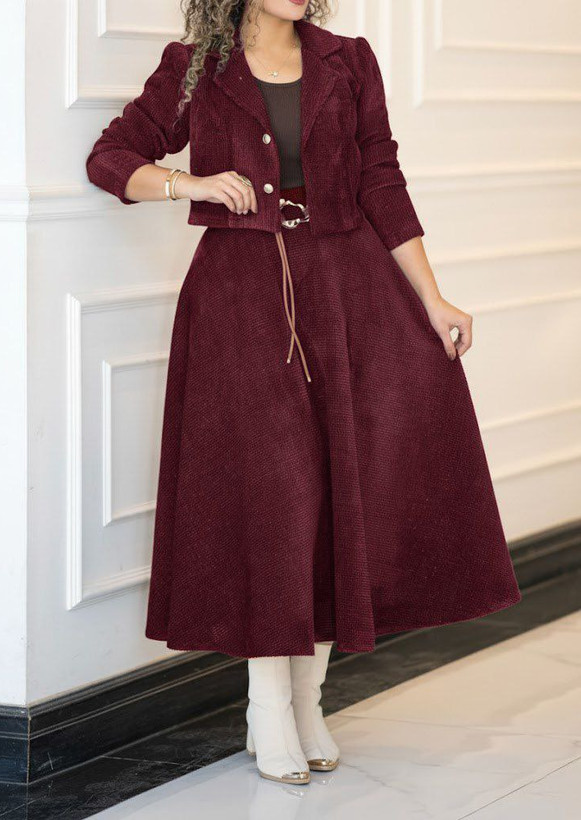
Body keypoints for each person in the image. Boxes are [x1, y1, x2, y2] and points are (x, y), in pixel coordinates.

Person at [85, 0, 522, 786]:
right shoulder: (194, 66)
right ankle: (265, 705)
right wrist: (191, 184)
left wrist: (431, 298)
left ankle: (309, 700)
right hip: (240, 302)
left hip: (349, 290)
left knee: (338, 493)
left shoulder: (347, 59)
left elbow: (381, 178)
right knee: (275, 500)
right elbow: (111, 157)